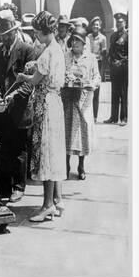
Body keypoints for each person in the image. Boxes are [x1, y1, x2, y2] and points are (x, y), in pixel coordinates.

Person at [16, 11, 66, 222]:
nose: (35, 36)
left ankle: (47, 205)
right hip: (55, 102)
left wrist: (22, 76)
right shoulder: (57, 49)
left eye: (37, 32)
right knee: (53, 153)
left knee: (45, 153)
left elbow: (35, 81)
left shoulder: (46, 53)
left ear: (44, 32)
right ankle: (57, 200)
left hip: (45, 104)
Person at [0, 9, 35, 203]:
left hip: (18, 110)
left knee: (18, 150)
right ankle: (3, 187)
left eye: (7, 35)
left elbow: (30, 83)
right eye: (1, 36)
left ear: (14, 31)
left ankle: (18, 187)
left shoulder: (27, 50)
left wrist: (12, 96)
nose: (4, 39)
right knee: (2, 149)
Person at [62, 27, 101, 180]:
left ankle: (81, 166)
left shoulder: (91, 58)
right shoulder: (66, 56)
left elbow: (97, 76)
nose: (75, 44)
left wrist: (92, 83)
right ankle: (65, 165)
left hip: (84, 100)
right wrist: (66, 78)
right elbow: (62, 73)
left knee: (81, 132)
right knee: (66, 131)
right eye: (73, 41)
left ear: (84, 43)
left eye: (78, 41)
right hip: (68, 98)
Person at [104, 13, 129, 126]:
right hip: (114, 68)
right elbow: (111, 51)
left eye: (121, 22)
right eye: (117, 22)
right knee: (114, 93)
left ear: (125, 23)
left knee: (123, 93)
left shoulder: (128, 36)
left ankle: (123, 118)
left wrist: (122, 61)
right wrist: (109, 60)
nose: (118, 23)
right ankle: (113, 117)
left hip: (123, 68)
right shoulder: (113, 36)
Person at [87, 17, 108, 122]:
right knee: (87, 89)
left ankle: (95, 116)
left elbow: (104, 56)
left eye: (97, 25)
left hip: (98, 64)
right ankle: (88, 115)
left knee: (96, 91)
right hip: (88, 65)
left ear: (100, 26)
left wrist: (102, 72)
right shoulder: (88, 37)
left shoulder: (103, 38)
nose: (96, 26)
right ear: (91, 26)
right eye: (94, 24)